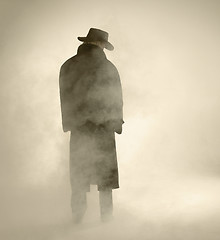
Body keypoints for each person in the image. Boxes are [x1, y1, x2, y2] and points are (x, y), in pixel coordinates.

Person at [59, 28, 124, 223]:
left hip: (79, 127)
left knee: (79, 174)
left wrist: (70, 122)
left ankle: (76, 219)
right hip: (103, 127)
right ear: (100, 44)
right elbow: (115, 99)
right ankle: (107, 219)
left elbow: (65, 97)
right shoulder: (108, 67)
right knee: (106, 177)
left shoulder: (68, 66)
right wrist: (115, 122)